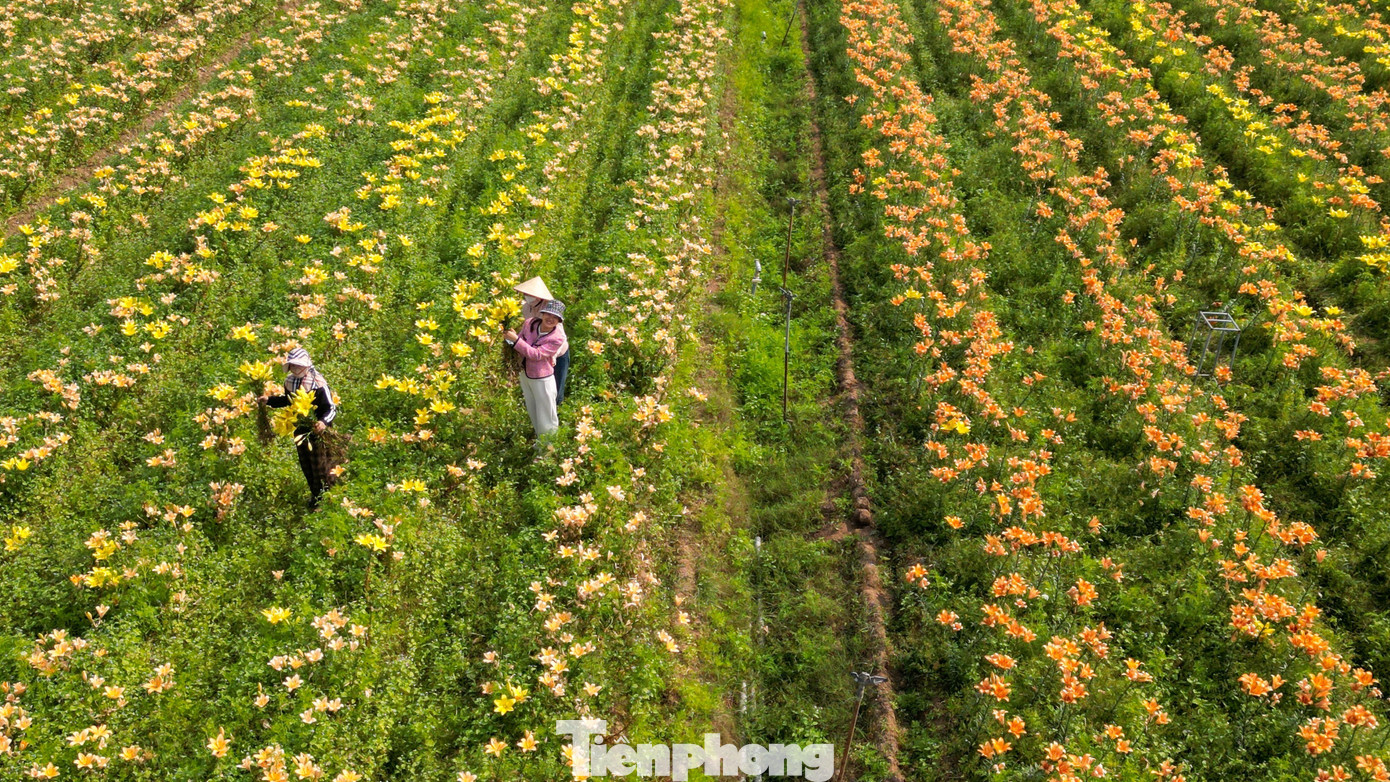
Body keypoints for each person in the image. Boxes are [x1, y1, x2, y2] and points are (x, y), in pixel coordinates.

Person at [258, 347, 339, 510]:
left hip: (319, 430)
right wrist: (269, 401)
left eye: (298, 365)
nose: (295, 368)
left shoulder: (318, 383)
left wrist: (323, 422)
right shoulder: (290, 381)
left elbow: (331, 408)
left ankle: (327, 497)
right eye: (293, 365)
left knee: (321, 465)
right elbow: (288, 401)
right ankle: (315, 496)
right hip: (301, 429)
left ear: (306, 365)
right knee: (306, 464)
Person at [505, 299, 567, 445]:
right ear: (542, 314)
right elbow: (520, 340)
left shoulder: (557, 338)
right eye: (548, 314)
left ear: (559, 321)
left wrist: (516, 341)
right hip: (525, 374)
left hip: (542, 379)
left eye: (555, 317)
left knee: (546, 416)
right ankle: (541, 444)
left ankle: (549, 448)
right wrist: (509, 338)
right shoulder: (530, 323)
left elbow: (536, 355)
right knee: (533, 411)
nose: (550, 319)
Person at [514, 276, 570, 406]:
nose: (527, 297)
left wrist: (554, 356)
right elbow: (529, 329)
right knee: (541, 390)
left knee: (556, 388)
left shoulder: (549, 309)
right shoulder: (526, 308)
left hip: (557, 352)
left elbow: (560, 337)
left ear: (539, 297)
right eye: (525, 294)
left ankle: (556, 412)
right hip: (538, 350)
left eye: (530, 295)